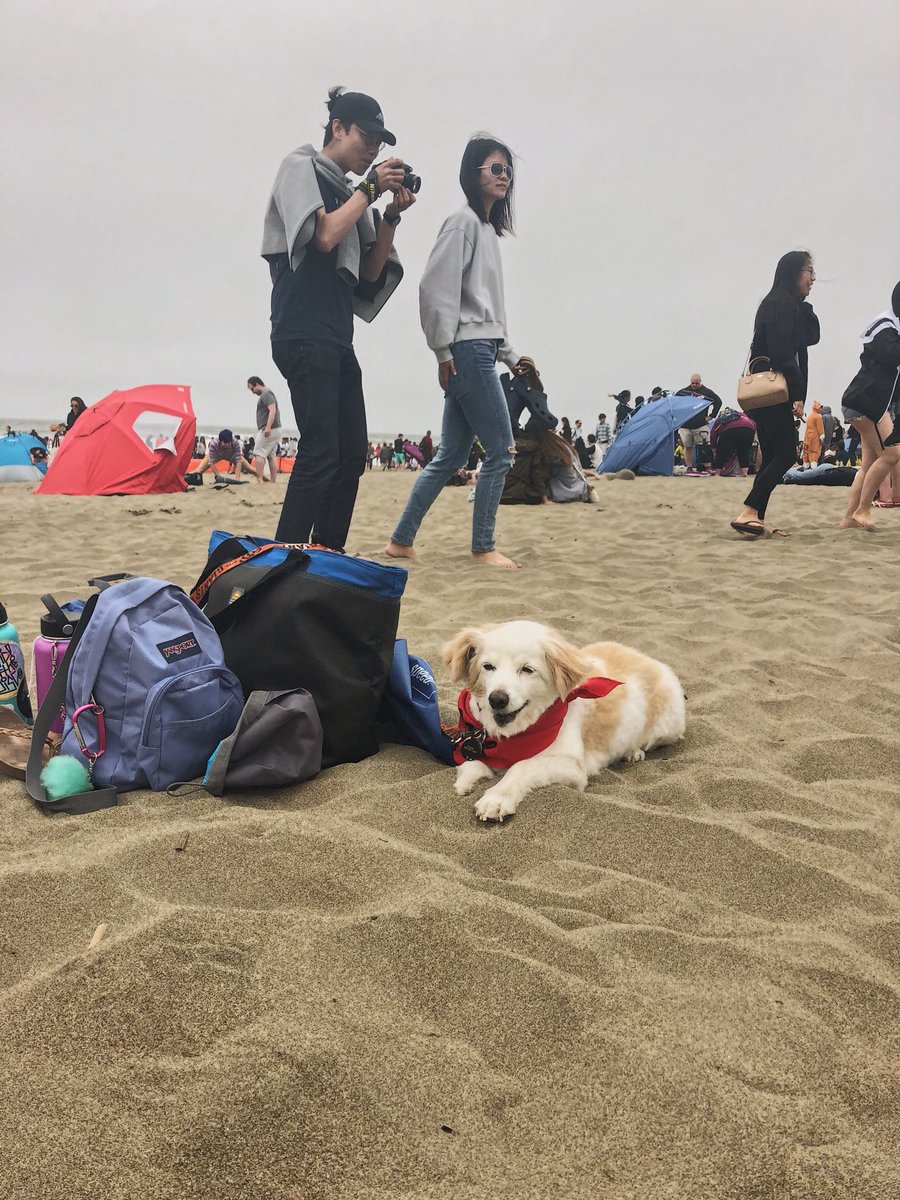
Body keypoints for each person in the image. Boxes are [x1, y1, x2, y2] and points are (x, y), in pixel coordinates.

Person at [262, 87, 415, 549]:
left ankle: (327, 554)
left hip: (336, 334)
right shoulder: (300, 167)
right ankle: (284, 556)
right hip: (302, 327)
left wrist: (389, 216)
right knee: (320, 450)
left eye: (380, 142)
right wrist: (369, 189)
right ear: (337, 128)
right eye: (367, 136)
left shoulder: (352, 194)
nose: (373, 148)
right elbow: (324, 235)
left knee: (350, 454)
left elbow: (369, 275)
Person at [385, 134, 539, 569]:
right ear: (473, 173)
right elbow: (435, 289)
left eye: (508, 170)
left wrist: (511, 355)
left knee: (450, 455)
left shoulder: (487, 230)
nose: (504, 177)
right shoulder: (462, 223)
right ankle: (483, 547)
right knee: (502, 450)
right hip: (467, 351)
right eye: (496, 168)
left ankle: (400, 541)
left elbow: (487, 307)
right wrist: (441, 350)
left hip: (479, 349)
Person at [730, 250, 819, 538]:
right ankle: (749, 510)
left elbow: (812, 337)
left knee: (771, 455)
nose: (813, 278)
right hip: (774, 391)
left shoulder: (784, 304)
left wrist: (805, 306)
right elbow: (782, 354)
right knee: (786, 453)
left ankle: (755, 517)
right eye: (809, 271)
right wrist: (797, 393)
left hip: (765, 392)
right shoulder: (781, 305)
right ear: (793, 272)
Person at [841, 281, 900, 530]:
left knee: (867, 466)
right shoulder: (884, 326)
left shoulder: (892, 327)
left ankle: (848, 519)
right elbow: (892, 355)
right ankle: (863, 511)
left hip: (868, 403)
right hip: (866, 403)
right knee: (892, 454)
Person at [676, 374, 723, 472]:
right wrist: (679, 417)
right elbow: (675, 403)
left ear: (700, 381)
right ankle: (689, 466)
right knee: (687, 446)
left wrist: (712, 416)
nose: (694, 385)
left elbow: (718, 402)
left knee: (704, 446)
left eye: (696, 383)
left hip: (700, 424)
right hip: (685, 425)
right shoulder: (684, 392)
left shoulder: (707, 392)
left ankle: (707, 466)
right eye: (692, 383)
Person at [247, 376, 283, 483]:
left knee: (259, 453)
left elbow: (272, 410)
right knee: (271, 455)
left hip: (269, 429)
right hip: (276, 429)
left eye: (252, 389)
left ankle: (259, 479)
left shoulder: (266, 394)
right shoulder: (268, 393)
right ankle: (273, 481)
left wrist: (268, 427)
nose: (252, 392)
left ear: (257, 384)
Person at [710, 409, 756, 477]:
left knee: (721, 452)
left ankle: (717, 474)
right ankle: (744, 473)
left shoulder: (720, 419)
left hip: (730, 429)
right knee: (744, 452)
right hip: (749, 428)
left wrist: (714, 449)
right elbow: (753, 423)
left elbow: (713, 435)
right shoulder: (743, 415)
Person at [801, 400, 824, 468]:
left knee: (806, 452)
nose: (821, 409)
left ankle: (806, 465)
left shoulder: (809, 416)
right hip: (814, 437)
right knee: (814, 451)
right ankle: (813, 467)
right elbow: (820, 428)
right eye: (820, 407)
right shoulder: (818, 417)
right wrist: (822, 437)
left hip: (807, 436)